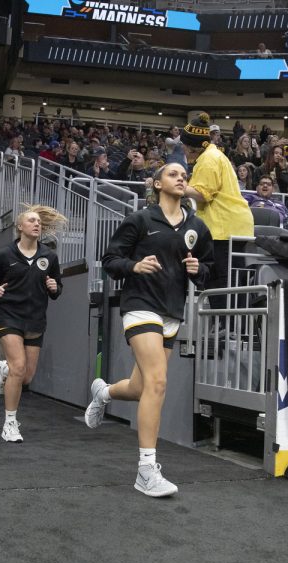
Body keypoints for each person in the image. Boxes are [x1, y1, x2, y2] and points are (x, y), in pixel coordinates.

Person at [84, 163, 214, 497]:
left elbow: (208, 268)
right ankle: (146, 470)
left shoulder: (196, 226)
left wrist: (199, 269)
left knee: (143, 387)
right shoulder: (140, 220)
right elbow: (111, 260)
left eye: (184, 174)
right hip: (140, 304)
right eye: (173, 174)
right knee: (158, 381)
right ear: (156, 184)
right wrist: (134, 266)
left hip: (172, 311)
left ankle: (105, 392)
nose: (181, 177)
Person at [0, 205, 66, 443]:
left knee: (26, 377)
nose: (36, 224)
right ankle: (10, 423)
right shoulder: (4, 255)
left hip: (35, 319)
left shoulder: (49, 257)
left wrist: (55, 288)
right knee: (19, 367)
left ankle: (5, 371)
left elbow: (57, 287)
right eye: (31, 220)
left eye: (39, 221)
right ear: (20, 227)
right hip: (8, 316)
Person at [181, 112, 253, 325]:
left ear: (193, 146)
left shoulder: (208, 159)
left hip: (224, 227)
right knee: (230, 281)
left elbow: (203, 193)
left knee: (220, 280)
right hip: (233, 225)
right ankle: (230, 328)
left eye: (184, 145)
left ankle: (226, 328)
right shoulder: (213, 155)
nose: (182, 149)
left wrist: (176, 186)